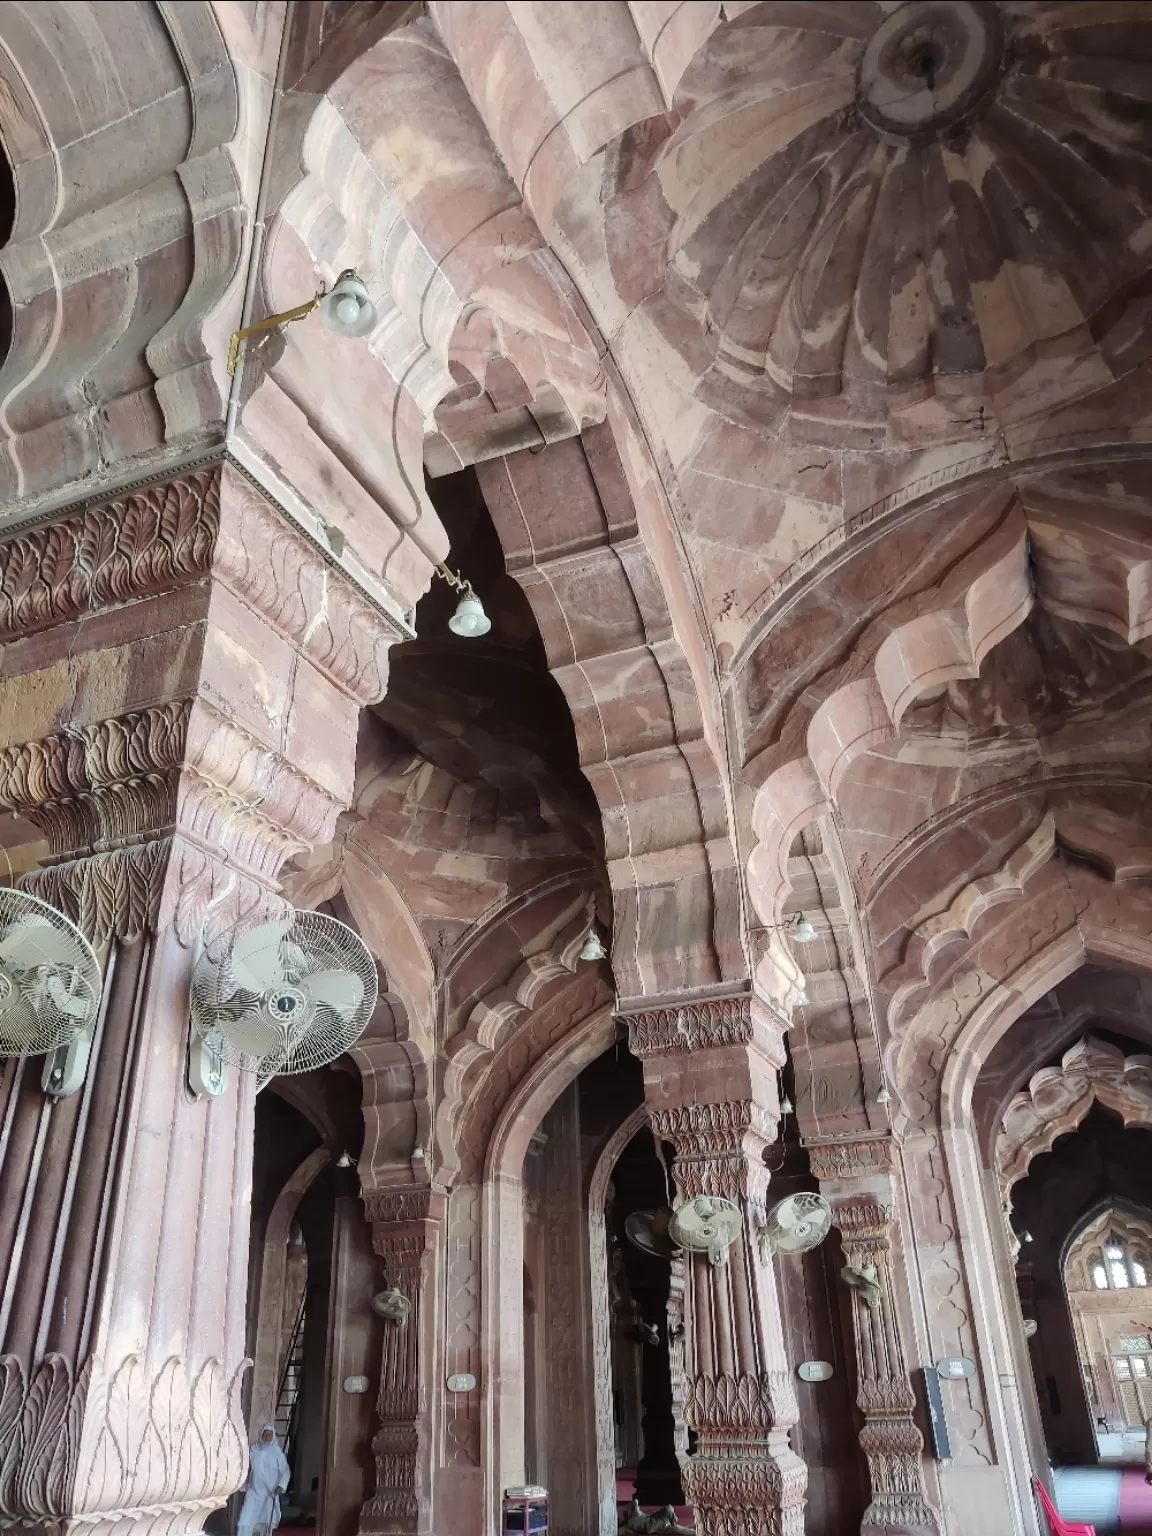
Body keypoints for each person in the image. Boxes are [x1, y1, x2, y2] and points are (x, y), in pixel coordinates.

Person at [238, 1424, 290, 1536]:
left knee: (268, 1523)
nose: (267, 1437)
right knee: (244, 1520)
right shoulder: (253, 1449)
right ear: (261, 1435)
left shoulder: (277, 1453)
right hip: (253, 1492)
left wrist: (281, 1485)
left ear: (273, 1437)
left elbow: (285, 1471)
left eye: (269, 1435)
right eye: (265, 1434)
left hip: (269, 1493)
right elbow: (245, 1466)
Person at [1145, 1413, 1152, 1485]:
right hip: (1150, 1445)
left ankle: (1149, 1477)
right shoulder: (1149, 1422)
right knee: (1149, 1460)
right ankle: (1149, 1477)